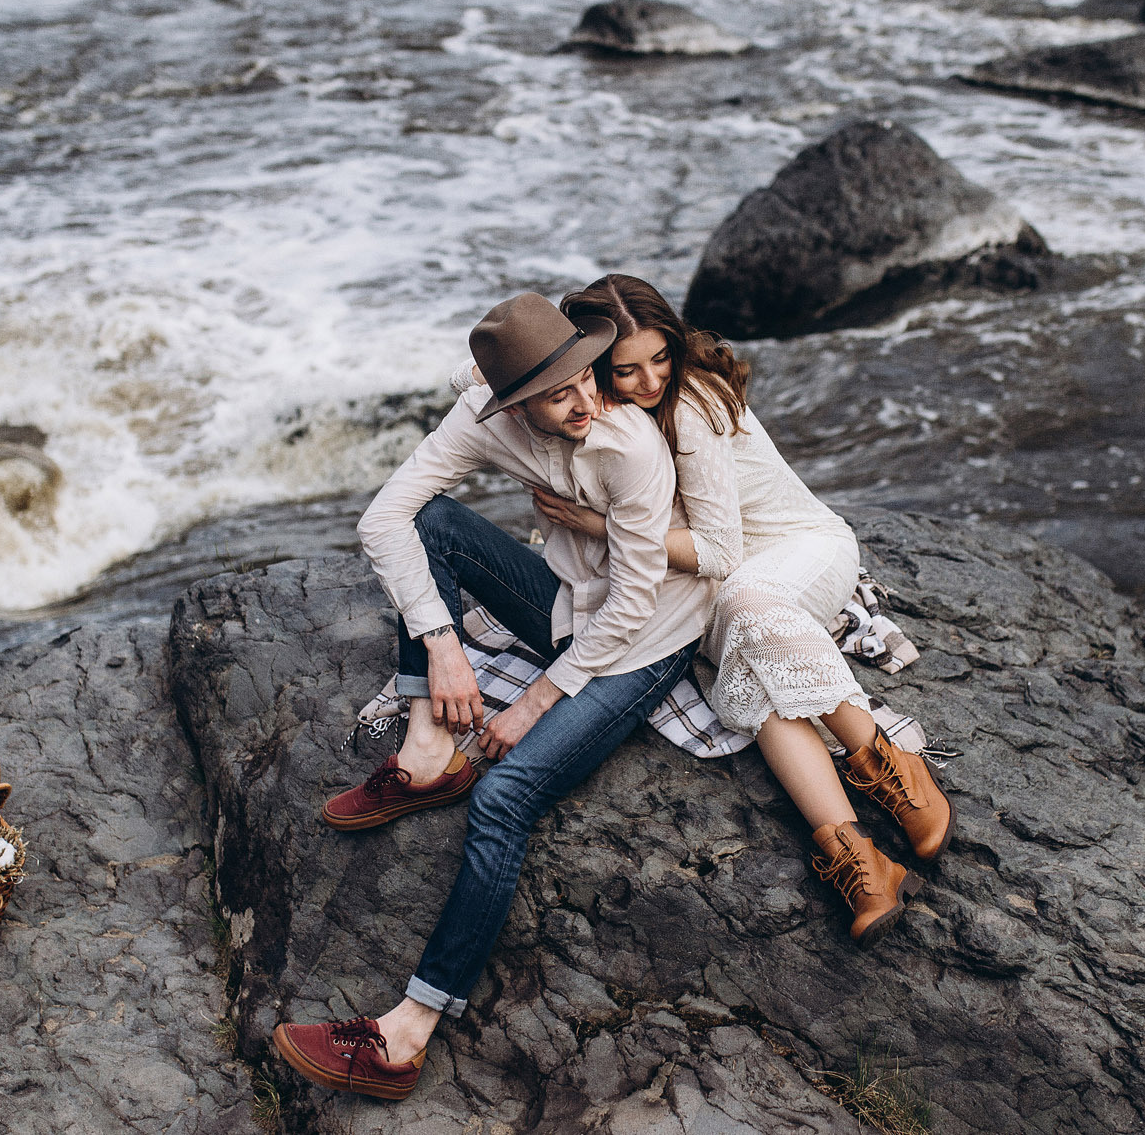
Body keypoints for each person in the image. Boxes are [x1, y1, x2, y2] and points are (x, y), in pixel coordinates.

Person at [268, 292, 712, 1102]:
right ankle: (427, 751)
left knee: (504, 795)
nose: (585, 401)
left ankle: (404, 1036)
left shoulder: (629, 445)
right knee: (431, 521)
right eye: (558, 394)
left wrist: (536, 700)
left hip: (647, 639)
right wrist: (443, 644)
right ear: (512, 404)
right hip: (569, 603)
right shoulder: (482, 417)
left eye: (586, 378)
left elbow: (636, 603)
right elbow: (383, 520)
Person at [532, 275, 954, 948]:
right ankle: (857, 856)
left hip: (796, 551)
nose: (649, 380)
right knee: (756, 678)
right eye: (626, 369)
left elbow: (722, 550)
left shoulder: (689, 402)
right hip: (705, 588)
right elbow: (486, 382)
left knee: (747, 606)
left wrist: (600, 525)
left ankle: (888, 765)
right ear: (591, 367)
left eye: (660, 357)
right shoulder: (592, 412)